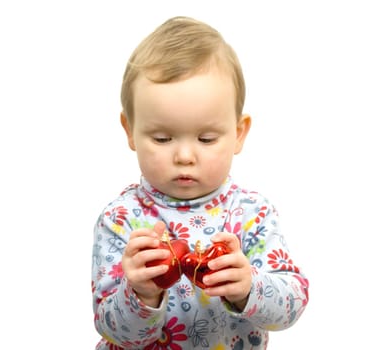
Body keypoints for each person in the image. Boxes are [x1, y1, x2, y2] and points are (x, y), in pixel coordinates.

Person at [91, 16, 309, 349]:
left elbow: (292, 305)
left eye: (206, 139)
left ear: (238, 133)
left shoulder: (252, 214)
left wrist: (249, 287)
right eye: (162, 138)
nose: (185, 156)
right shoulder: (121, 220)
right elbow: (111, 330)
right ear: (129, 130)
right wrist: (141, 294)